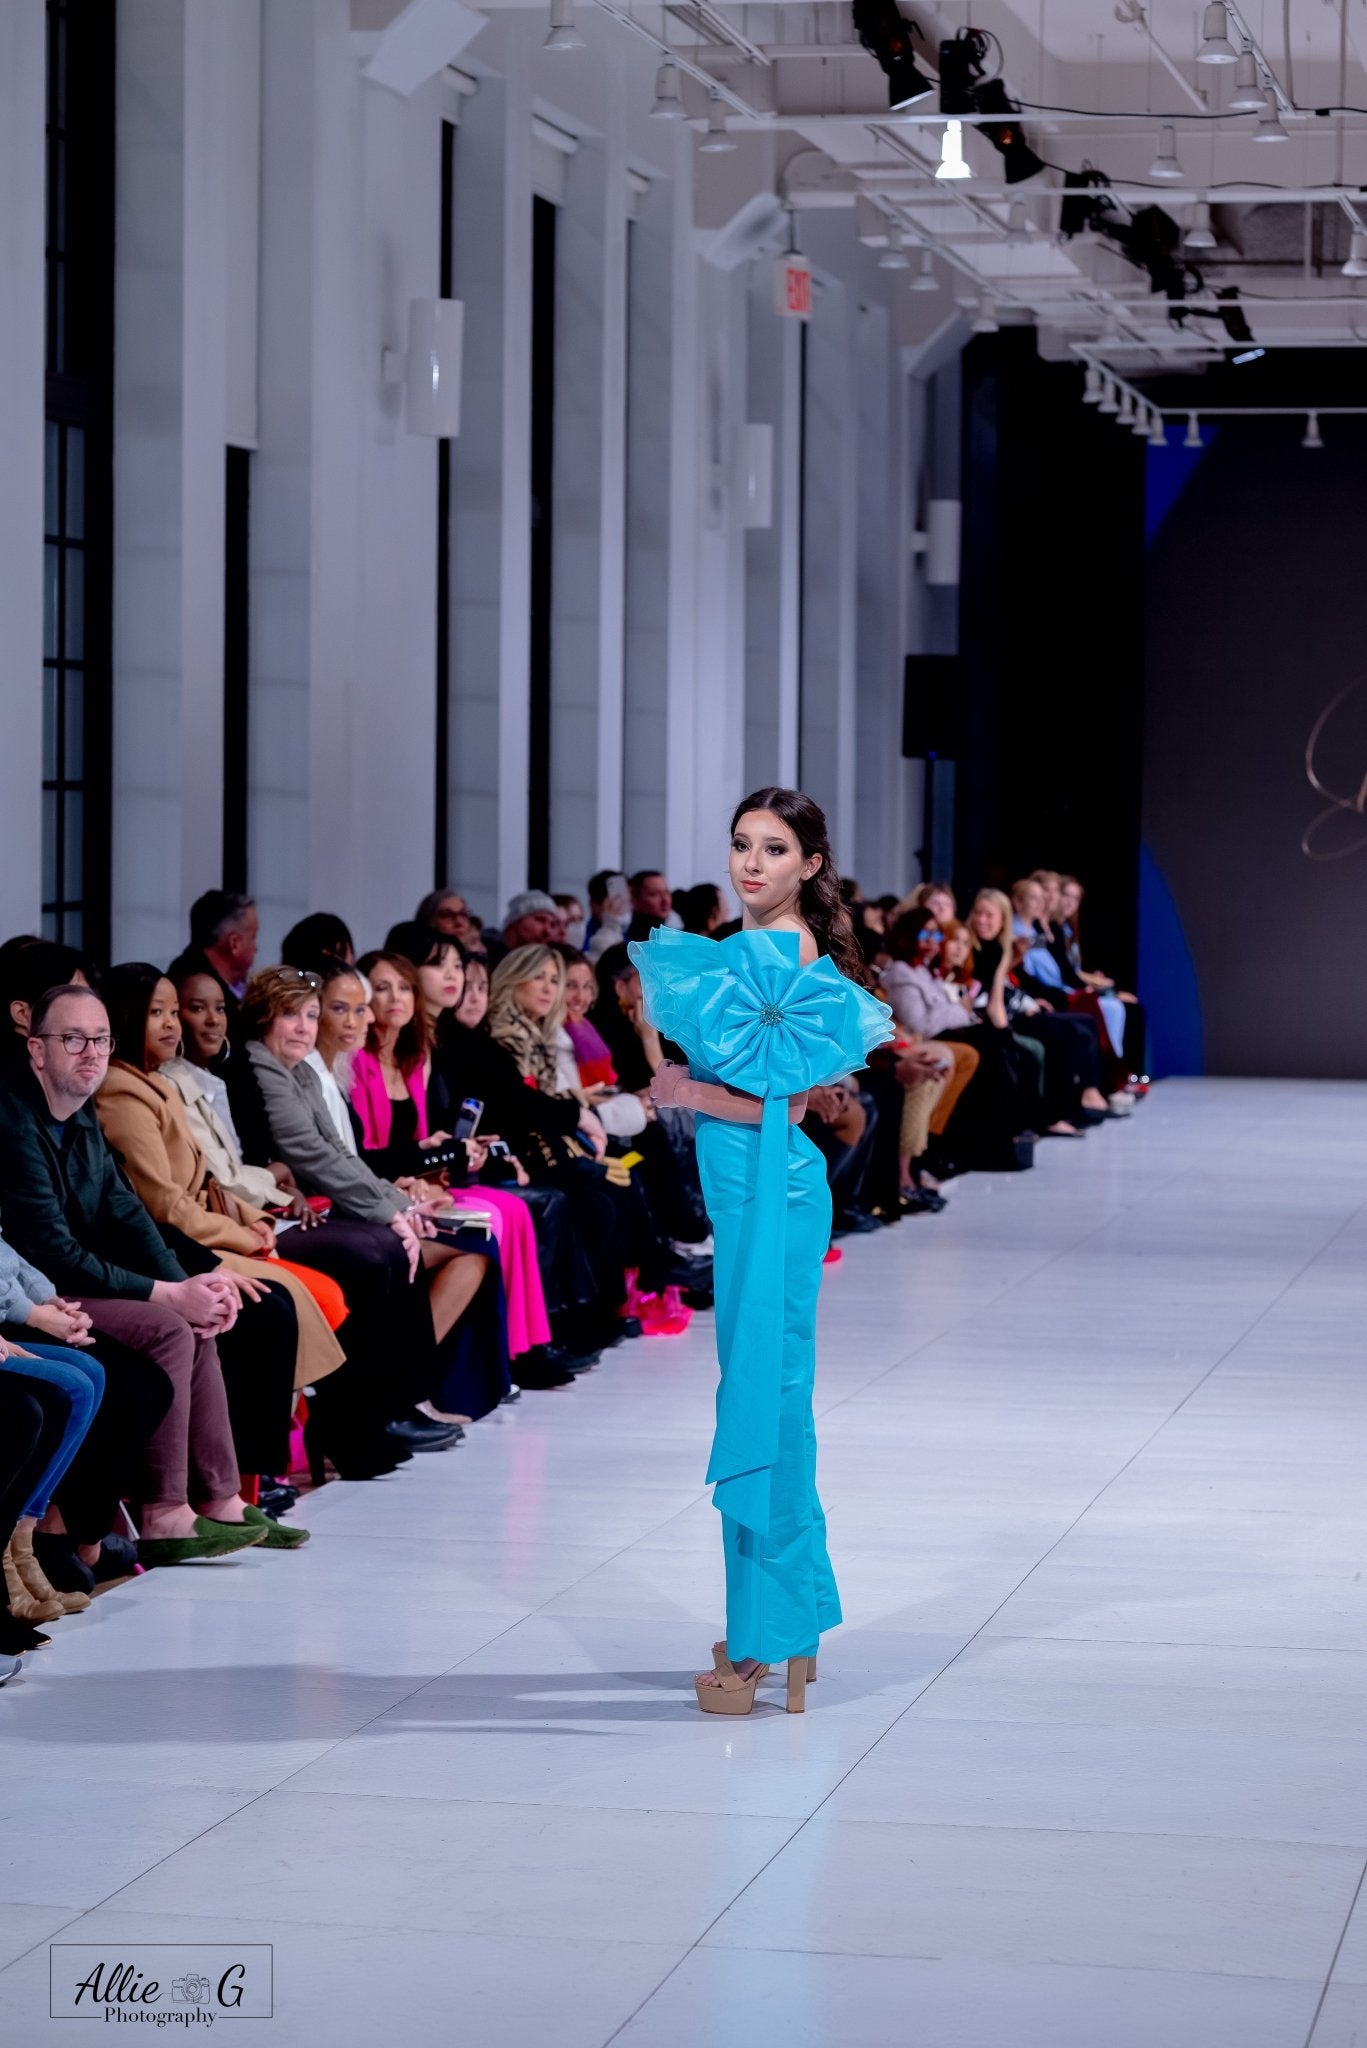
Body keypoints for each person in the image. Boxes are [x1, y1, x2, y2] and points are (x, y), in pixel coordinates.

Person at [631, 786, 892, 1716]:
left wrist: (679, 1091)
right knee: (768, 1393)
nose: (751, 862)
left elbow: (775, 1100)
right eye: (742, 843)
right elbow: (797, 1092)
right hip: (758, 1186)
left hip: (765, 1189)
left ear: (809, 865)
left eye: (774, 849)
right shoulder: (765, 946)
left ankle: (762, 1641)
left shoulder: (773, 951)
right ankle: (780, 1623)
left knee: (759, 1398)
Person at [0, 983, 288, 1562]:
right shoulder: (15, 1120)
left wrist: (184, 1284)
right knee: (169, 1327)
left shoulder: (79, 1110)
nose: (91, 1053)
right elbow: (53, 1252)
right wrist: (168, 1295)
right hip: (40, 1291)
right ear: (37, 1049)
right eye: (73, 1039)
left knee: (200, 1314)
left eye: (101, 1039)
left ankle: (221, 1497)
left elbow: (124, 1208)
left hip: (70, 1281)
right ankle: (162, 1513)